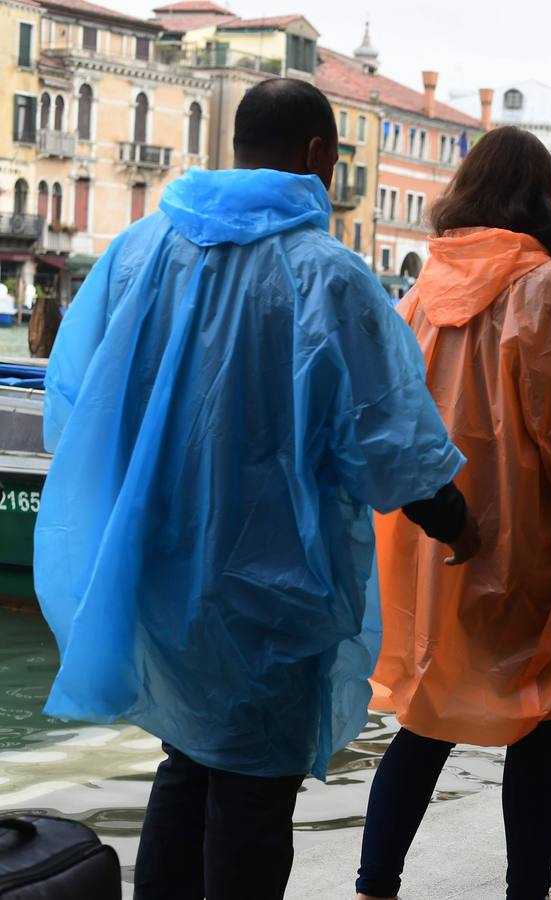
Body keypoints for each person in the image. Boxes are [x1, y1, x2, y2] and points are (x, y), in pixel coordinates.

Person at [34, 78, 477, 900]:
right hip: (270, 585)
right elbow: (388, 440)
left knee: (188, 758)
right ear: (318, 154)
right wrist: (458, 521)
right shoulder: (330, 277)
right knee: (254, 793)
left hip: (161, 570)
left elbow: (77, 398)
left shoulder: (139, 249)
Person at [354, 126, 551, 900]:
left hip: (436, 541)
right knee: (536, 717)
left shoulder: (421, 292)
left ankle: (373, 885)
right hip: (528, 543)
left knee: (428, 713)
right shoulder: (547, 286)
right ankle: (527, 891)